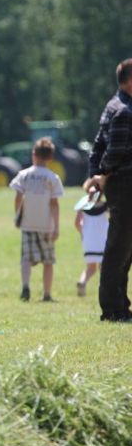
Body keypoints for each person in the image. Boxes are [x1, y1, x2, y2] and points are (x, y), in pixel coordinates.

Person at [84, 58, 132, 322]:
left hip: (119, 184)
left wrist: (95, 174)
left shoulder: (113, 106)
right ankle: (113, 309)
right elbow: (114, 151)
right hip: (125, 184)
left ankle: (120, 305)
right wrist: (102, 174)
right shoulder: (125, 111)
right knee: (119, 248)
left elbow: (96, 145)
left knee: (124, 248)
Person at [10, 137, 63, 302]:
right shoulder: (52, 177)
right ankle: (46, 294)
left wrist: (18, 215)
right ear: (50, 157)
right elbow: (54, 204)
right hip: (46, 225)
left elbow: (18, 197)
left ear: (34, 154)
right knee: (48, 261)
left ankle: (26, 286)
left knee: (26, 258)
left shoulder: (23, 175)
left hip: (27, 223)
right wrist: (56, 227)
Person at [74, 195, 108, 297]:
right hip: (104, 240)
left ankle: (82, 281)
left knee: (90, 268)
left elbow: (77, 223)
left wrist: (83, 232)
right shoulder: (107, 206)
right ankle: (105, 289)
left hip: (89, 240)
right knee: (105, 268)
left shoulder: (83, 206)